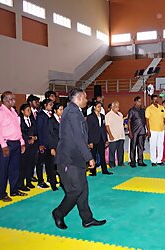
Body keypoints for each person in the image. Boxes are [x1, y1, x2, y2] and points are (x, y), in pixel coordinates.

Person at [52, 88, 106, 230]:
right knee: (75, 190)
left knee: (83, 189)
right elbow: (77, 137)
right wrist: (89, 157)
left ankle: (87, 219)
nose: (87, 100)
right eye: (85, 98)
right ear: (79, 98)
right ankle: (59, 213)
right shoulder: (72, 113)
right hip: (68, 159)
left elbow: (80, 136)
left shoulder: (75, 112)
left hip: (76, 158)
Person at [0, 92, 26, 202]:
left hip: (16, 143)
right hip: (6, 144)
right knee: (3, 170)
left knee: (15, 168)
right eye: (11, 99)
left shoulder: (13, 111)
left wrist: (22, 142)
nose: (14, 101)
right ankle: (1, 193)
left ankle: (14, 190)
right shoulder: (0, 112)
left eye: (14, 99)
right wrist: (3, 145)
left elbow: (17, 129)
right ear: (5, 100)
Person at [87, 101, 112, 175]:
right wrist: (89, 141)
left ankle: (104, 170)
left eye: (100, 106)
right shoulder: (90, 117)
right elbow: (88, 130)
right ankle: (93, 171)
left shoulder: (102, 116)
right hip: (94, 139)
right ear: (94, 107)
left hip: (101, 138)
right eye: (98, 106)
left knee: (102, 155)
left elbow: (103, 129)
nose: (100, 108)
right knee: (93, 155)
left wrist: (106, 140)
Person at [36, 99, 57, 190]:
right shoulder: (41, 115)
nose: (51, 106)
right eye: (50, 104)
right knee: (40, 163)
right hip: (43, 142)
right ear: (45, 105)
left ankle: (50, 178)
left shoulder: (51, 115)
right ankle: (40, 181)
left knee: (50, 162)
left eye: (52, 104)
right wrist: (40, 143)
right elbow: (39, 130)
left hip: (50, 142)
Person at [18, 104, 38, 192]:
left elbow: (36, 130)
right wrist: (28, 139)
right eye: (27, 110)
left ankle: (29, 181)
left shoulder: (32, 120)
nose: (29, 112)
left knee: (31, 164)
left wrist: (35, 137)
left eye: (30, 110)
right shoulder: (20, 120)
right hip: (25, 145)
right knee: (23, 165)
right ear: (22, 111)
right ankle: (21, 184)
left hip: (33, 145)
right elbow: (21, 132)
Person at [145, 95, 165, 166]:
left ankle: (159, 160)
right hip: (153, 130)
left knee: (160, 145)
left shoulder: (162, 107)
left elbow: (164, 118)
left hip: (161, 130)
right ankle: (153, 160)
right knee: (153, 145)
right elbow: (147, 120)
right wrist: (148, 130)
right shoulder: (149, 109)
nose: (156, 101)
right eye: (154, 99)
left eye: (156, 99)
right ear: (152, 100)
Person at [48, 103, 65, 190]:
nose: (62, 111)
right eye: (60, 109)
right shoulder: (51, 120)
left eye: (63, 109)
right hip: (54, 145)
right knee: (53, 166)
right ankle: (53, 183)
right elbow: (50, 135)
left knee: (62, 165)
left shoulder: (63, 119)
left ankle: (62, 182)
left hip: (63, 146)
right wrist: (52, 148)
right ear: (55, 110)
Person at [128, 96, 147, 168]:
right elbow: (129, 121)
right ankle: (132, 162)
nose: (140, 103)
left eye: (140, 101)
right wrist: (130, 131)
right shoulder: (132, 110)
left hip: (142, 130)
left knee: (141, 147)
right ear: (135, 102)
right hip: (134, 131)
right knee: (133, 147)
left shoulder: (142, 110)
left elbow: (145, 120)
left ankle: (140, 161)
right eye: (139, 101)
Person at [105, 101, 125, 168]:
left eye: (118, 106)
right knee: (112, 151)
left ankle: (120, 163)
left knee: (121, 150)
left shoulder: (120, 114)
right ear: (112, 107)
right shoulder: (108, 115)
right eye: (116, 106)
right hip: (113, 136)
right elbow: (107, 126)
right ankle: (111, 164)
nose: (118, 108)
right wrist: (110, 135)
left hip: (121, 135)